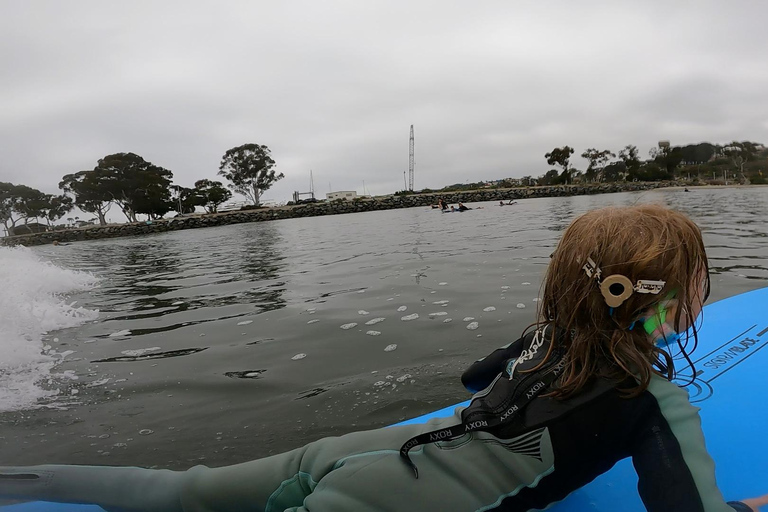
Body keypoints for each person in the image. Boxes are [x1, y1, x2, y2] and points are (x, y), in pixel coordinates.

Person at [1, 205, 766, 512]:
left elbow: (477, 383)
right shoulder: (652, 400)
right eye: (702, 280)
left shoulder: (541, 340)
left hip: (358, 453)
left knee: (175, 491)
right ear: (668, 300)